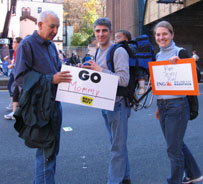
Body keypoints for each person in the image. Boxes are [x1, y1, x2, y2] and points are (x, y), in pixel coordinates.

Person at [14, 10, 71, 184]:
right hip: (40, 107)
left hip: (54, 104)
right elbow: (21, 78)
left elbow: (56, 71)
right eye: (52, 27)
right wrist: (50, 79)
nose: (55, 31)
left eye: (57, 27)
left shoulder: (52, 45)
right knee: (46, 153)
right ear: (39, 25)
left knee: (51, 152)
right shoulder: (27, 45)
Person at [82, 17, 131, 184]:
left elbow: (123, 80)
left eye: (104, 30)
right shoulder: (97, 51)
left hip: (117, 105)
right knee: (117, 144)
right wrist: (87, 71)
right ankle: (125, 177)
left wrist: (100, 70)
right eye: (97, 31)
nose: (100, 34)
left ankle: (114, 181)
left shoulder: (119, 51)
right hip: (104, 103)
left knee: (117, 147)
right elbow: (97, 77)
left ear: (110, 32)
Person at [154, 21, 203, 184]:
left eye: (164, 34)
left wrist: (182, 64)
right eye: (158, 35)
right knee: (175, 143)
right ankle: (194, 173)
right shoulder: (158, 55)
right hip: (163, 105)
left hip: (178, 105)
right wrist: (157, 104)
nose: (161, 37)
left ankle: (175, 181)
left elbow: (197, 77)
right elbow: (161, 83)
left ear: (172, 35)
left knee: (173, 148)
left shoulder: (180, 52)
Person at [114, 30, 146, 95]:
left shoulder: (130, 46)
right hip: (130, 66)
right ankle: (133, 94)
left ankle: (142, 87)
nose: (116, 40)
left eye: (118, 38)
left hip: (136, 65)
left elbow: (133, 54)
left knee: (140, 75)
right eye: (115, 38)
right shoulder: (121, 47)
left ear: (126, 39)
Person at [4, 37, 23, 120]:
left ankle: (15, 111)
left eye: (14, 42)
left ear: (19, 43)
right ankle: (14, 111)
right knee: (13, 90)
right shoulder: (16, 51)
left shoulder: (20, 51)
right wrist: (9, 61)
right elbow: (14, 63)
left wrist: (12, 65)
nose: (12, 44)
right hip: (15, 73)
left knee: (15, 91)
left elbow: (19, 63)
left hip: (19, 74)